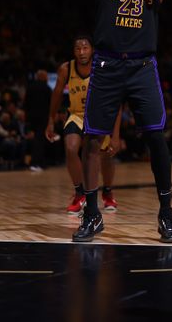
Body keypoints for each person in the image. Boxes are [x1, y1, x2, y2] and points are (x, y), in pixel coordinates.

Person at [74, 0, 172, 243]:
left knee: (155, 140)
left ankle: (166, 214)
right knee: (91, 143)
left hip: (141, 67)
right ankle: (91, 214)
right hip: (106, 66)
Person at [46, 35, 121, 214]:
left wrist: (116, 135)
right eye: (78, 49)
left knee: (106, 155)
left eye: (85, 48)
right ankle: (80, 193)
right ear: (73, 52)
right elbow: (56, 94)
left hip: (98, 117)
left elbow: (116, 101)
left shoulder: (101, 68)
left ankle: (108, 192)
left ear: (92, 50)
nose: (81, 52)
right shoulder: (66, 69)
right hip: (77, 115)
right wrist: (50, 119)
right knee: (71, 148)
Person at [24, 70, 51, 171]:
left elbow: (26, 103)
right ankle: (36, 163)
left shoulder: (30, 87)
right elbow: (51, 104)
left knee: (36, 139)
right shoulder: (47, 88)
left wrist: (27, 118)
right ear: (43, 77)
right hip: (43, 117)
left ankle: (39, 162)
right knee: (40, 140)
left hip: (31, 118)